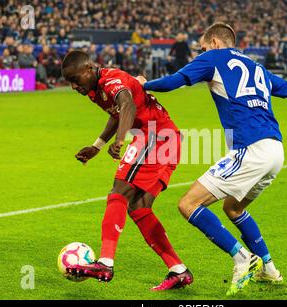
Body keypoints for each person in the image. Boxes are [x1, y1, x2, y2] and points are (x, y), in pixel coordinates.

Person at [138, 22, 287, 296]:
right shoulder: (257, 67)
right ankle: (269, 269)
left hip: (250, 149)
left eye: (201, 48)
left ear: (214, 43)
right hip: (275, 151)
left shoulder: (214, 58)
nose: (200, 53)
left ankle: (241, 257)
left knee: (188, 204)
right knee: (233, 209)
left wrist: (145, 85)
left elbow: (174, 81)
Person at [60, 50, 193, 291]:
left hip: (155, 136)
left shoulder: (112, 79)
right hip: (167, 140)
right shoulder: (94, 90)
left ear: (88, 70)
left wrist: (120, 141)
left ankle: (105, 263)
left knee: (118, 191)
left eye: (75, 80)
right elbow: (117, 114)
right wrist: (97, 146)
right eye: (69, 82)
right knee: (139, 208)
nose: (72, 87)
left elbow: (127, 105)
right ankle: (178, 270)